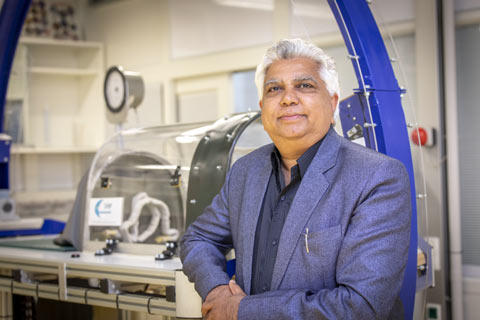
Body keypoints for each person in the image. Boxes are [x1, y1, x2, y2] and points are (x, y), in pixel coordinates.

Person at [180, 38, 411, 320]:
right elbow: (199, 238)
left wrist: (240, 310)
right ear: (263, 107)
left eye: (305, 85)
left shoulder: (377, 177)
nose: (288, 98)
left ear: (333, 102)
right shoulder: (245, 171)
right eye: (275, 88)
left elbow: (361, 306)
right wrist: (216, 291)